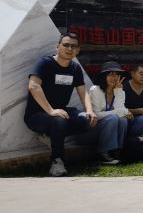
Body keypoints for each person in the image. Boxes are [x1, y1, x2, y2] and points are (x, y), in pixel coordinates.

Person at [24, 33, 97, 176]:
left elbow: (83, 92)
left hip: (61, 112)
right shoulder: (45, 63)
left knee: (88, 120)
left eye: (73, 46)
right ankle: (57, 162)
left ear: (77, 50)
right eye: (66, 45)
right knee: (59, 121)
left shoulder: (75, 68)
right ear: (57, 47)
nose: (69, 48)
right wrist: (50, 111)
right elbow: (33, 86)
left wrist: (89, 110)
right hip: (37, 115)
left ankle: (51, 136)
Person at [85, 61, 128, 165]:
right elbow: (97, 115)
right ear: (104, 76)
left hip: (109, 128)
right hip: (92, 128)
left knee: (123, 119)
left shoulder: (120, 91)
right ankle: (102, 154)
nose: (114, 77)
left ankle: (116, 151)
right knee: (114, 118)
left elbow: (121, 113)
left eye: (117, 74)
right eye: (110, 74)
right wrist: (120, 112)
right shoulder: (95, 90)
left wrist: (118, 91)